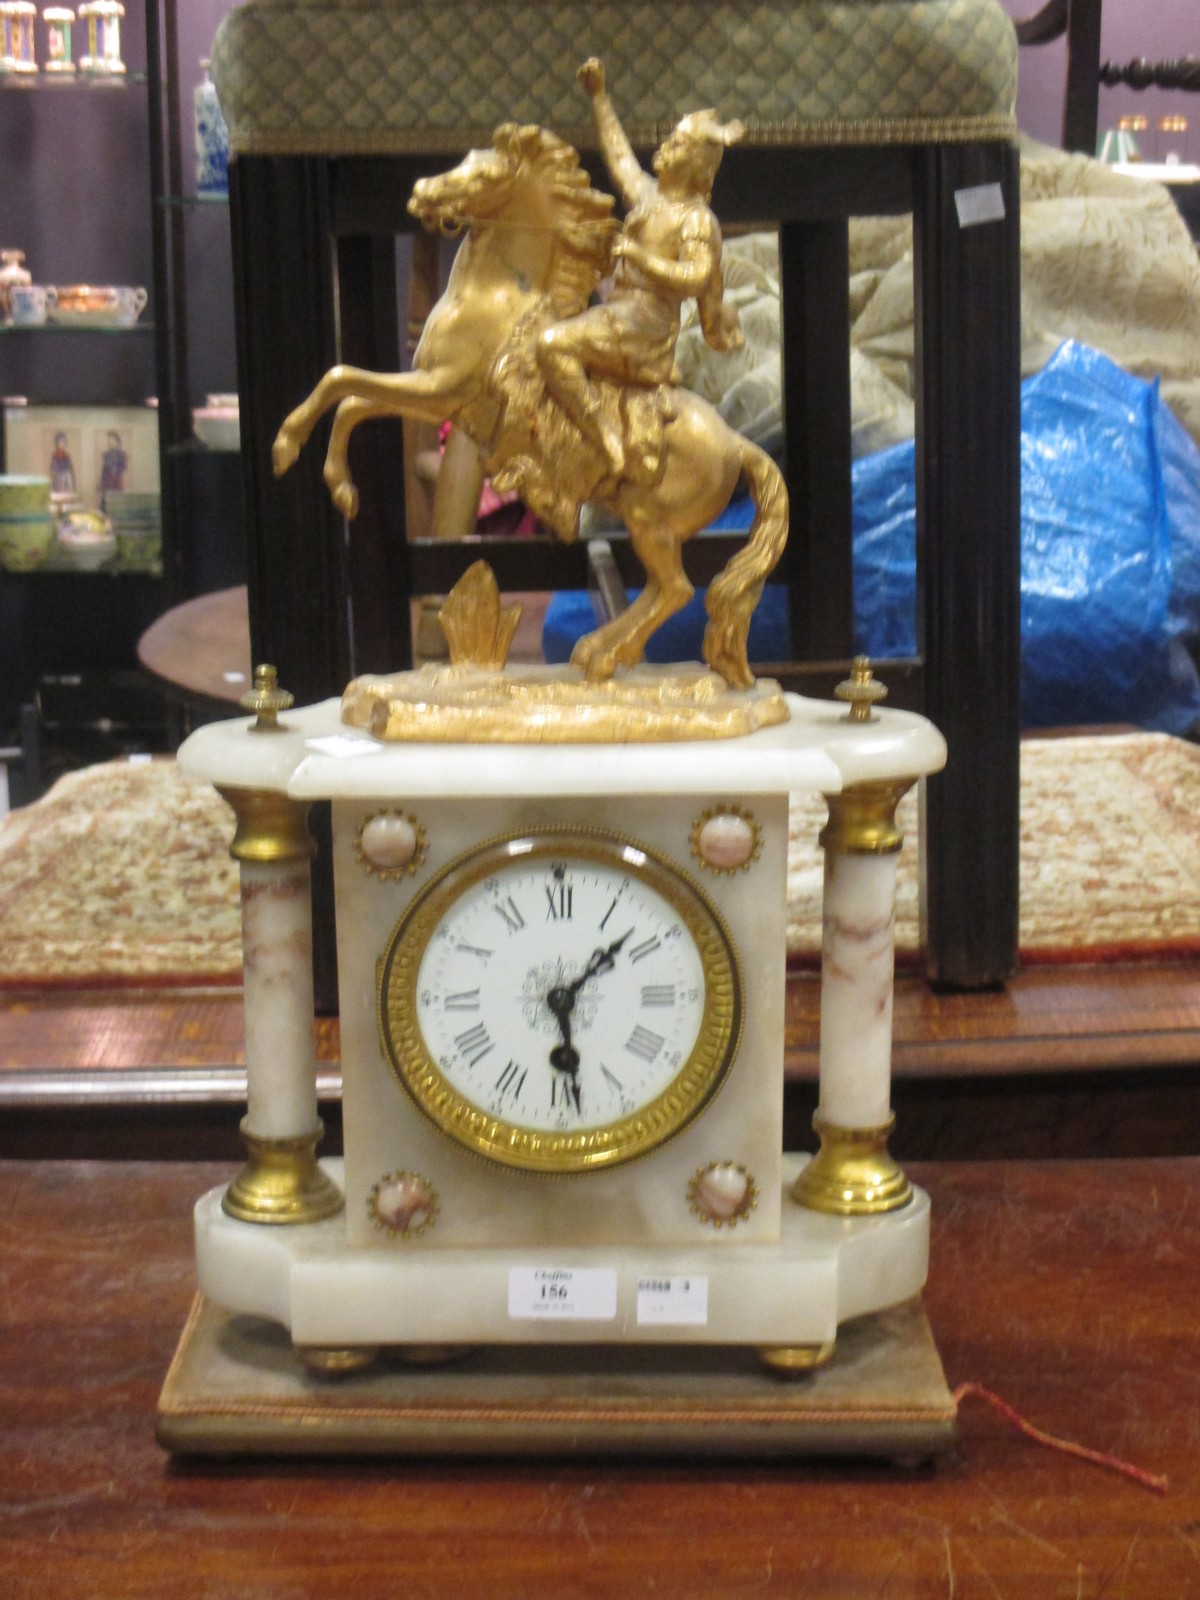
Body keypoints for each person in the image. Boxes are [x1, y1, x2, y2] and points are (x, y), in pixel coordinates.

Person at [536, 58, 745, 479]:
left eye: (680, 144)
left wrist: (638, 256)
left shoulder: (696, 220)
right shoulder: (650, 196)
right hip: (621, 313)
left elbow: (696, 277)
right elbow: (618, 155)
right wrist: (599, 97)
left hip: (645, 326)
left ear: (697, 165)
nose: (667, 145)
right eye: (673, 138)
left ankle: (604, 433)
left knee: (551, 344)